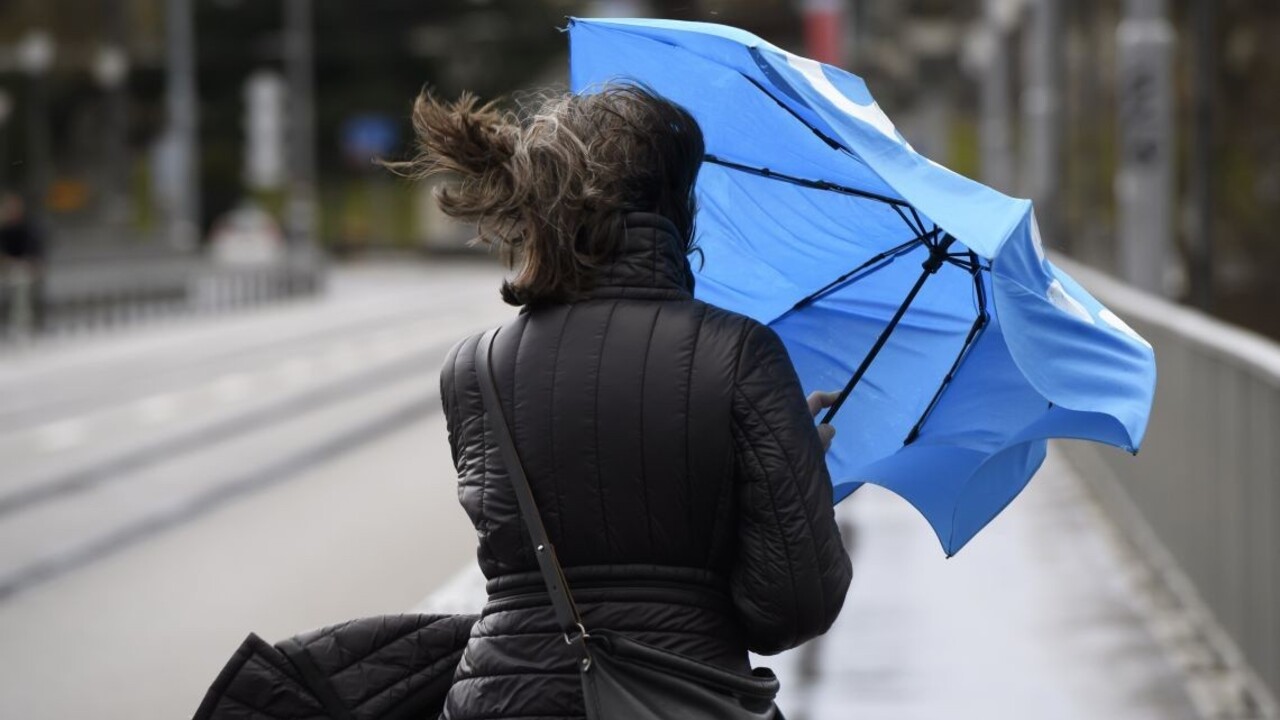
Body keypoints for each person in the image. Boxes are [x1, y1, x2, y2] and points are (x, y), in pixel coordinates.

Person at [405, 85, 853, 720]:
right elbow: (791, 607)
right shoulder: (739, 353)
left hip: (501, 700)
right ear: (678, 205)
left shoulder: (474, 368)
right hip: (683, 696)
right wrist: (796, 474)